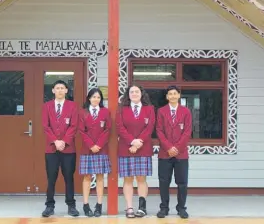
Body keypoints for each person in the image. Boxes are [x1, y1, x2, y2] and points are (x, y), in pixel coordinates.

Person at [41, 80, 80, 217]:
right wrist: (55, 141)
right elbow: (46, 126)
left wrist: (64, 141)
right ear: (53, 90)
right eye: (57, 88)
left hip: (68, 149)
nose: (59, 90)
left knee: (69, 177)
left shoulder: (72, 106)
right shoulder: (47, 106)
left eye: (62, 88)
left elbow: (74, 126)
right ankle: (49, 206)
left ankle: (71, 206)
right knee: (51, 178)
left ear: (66, 90)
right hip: (51, 149)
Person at [116, 85, 155, 218]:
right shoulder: (121, 109)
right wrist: (132, 142)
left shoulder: (149, 109)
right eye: (131, 92)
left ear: (141, 94)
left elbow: (149, 128)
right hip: (126, 148)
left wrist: (138, 143)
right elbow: (120, 127)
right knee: (128, 179)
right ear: (128, 94)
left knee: (141, 178)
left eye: (136, 91)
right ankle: (129, 207)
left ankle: (142, 207)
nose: (134, 94)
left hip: (143, 148)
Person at [155, 86, 192, 219]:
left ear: (179, 95)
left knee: (182, 182)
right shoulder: (161, 111)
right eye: (170, 94)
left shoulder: (186, 111)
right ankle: (164, 208)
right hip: (165, 153)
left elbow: (187, 132)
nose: (172, 96)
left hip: (181, 154)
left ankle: (181, 208)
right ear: (167, 97)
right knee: (164, 181)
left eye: (175, 94)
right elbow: (159, 130)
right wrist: (169, 147)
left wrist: (176, 148)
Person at [78, 88, 112, 217]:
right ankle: (86, 205)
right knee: (87, 177)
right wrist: (91, 145)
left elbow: (107, 130)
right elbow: (81, 131)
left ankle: (99, 205)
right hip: (87, 149)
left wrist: (98, 144)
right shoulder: (82, 113)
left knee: (99, 177)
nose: (96, 99)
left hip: (101, 149)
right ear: (89, 99)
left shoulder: (105, 112)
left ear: (101, 99)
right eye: (93, 97)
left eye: (98, 97)